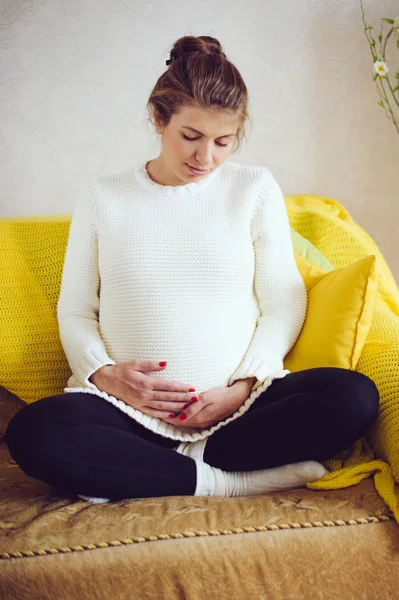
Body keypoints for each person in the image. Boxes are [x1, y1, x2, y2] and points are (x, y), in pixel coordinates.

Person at [5, 35, 380, 503]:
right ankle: (224, 481)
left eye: (223, 142)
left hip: (237, 411)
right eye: (191, 137)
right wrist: (104, 373)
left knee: (353, 397)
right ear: (159, 119)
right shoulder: (104, 196)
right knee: (35, 432)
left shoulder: (254, 188)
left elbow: (284, 298)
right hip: (126, 413)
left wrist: (244, 386)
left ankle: (155, 471)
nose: (206, 158)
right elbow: (77, 308)